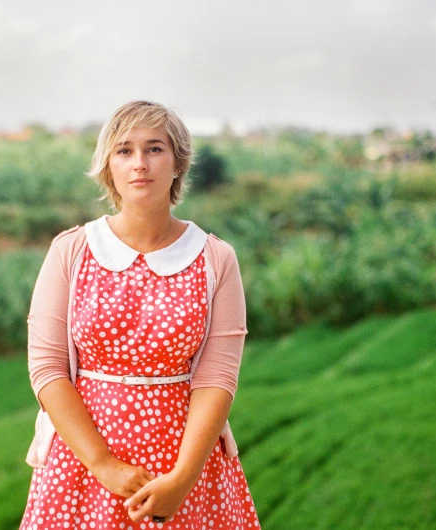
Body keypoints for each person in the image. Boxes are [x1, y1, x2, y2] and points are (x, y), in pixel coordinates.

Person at [20, 100, 260, 529]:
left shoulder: (215, 259)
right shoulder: (71, 251)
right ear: (108, 166)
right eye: (124, 151)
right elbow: (47, 368)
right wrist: (104, 464)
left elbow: (217, 378)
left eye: (154, 149)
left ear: (178, 162)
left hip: (184, 468)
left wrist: (182, 480)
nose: (140, 164)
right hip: (82, 467)